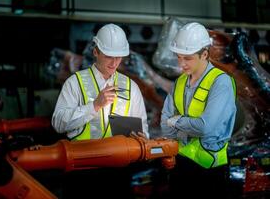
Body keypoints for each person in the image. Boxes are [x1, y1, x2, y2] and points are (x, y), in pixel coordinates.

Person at [51, 23, 148, 198]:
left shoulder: (131, 87)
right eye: (109, 56)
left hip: (118, 172)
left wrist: (141, 138)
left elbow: (143, 130)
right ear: (96, 51)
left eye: (119, 57)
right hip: (82, 170)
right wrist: (94, 106)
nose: (114, 62)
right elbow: (58, 123)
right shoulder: (75, 83)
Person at [160, 22, 236, 199]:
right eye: (179, 57)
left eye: (187, 58)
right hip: (180, 165)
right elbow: (165, 124)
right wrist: (177, 124)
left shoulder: (220, 82)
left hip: (210, 169)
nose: (182, 64)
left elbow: (205, 127)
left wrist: (176, 121)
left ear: (204, 54)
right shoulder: (179, 82)